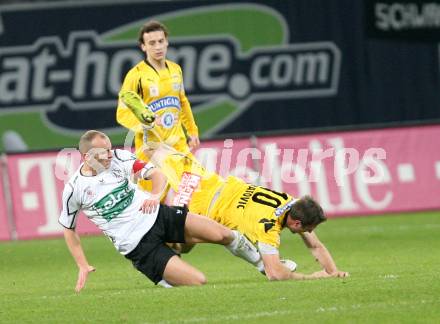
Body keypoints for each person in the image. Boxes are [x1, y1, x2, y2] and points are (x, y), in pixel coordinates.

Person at [59, 130, 277, 292]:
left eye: (109, 148)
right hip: (139, 245)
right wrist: (82, 264)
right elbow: (69, 229)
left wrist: (154, 195)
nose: (109, 155)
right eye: (103, 152)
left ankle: (267, 269)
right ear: (87, 157)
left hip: (159, 216)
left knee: (224, 234)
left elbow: (156, 174)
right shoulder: (74, 189)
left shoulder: (119, 158)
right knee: (198, 282)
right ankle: (161, 276)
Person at [145, 143, 349, 281]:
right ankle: (148, 252)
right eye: (309, 228)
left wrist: (333, 271)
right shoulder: (267, 226)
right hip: (201, 206)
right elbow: (275, 273)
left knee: (155, 148)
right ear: (296, 223)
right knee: (179, 244)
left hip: (208, 180)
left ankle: (144, 137)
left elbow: (315, 245)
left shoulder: (291, 202)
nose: (310, 232)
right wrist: (311, 277)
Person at [116, 20, 200, 192]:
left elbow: (182, 102)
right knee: (155, 203)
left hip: (178, 146)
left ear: (167, 42)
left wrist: (192, 131)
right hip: (151, 149)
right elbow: (122, 112)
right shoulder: (136, 75)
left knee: (192, 192)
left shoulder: (176, 69)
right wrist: (146, 123)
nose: (158, 47)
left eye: (161, 41)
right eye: (152, 43)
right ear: (143, 47)